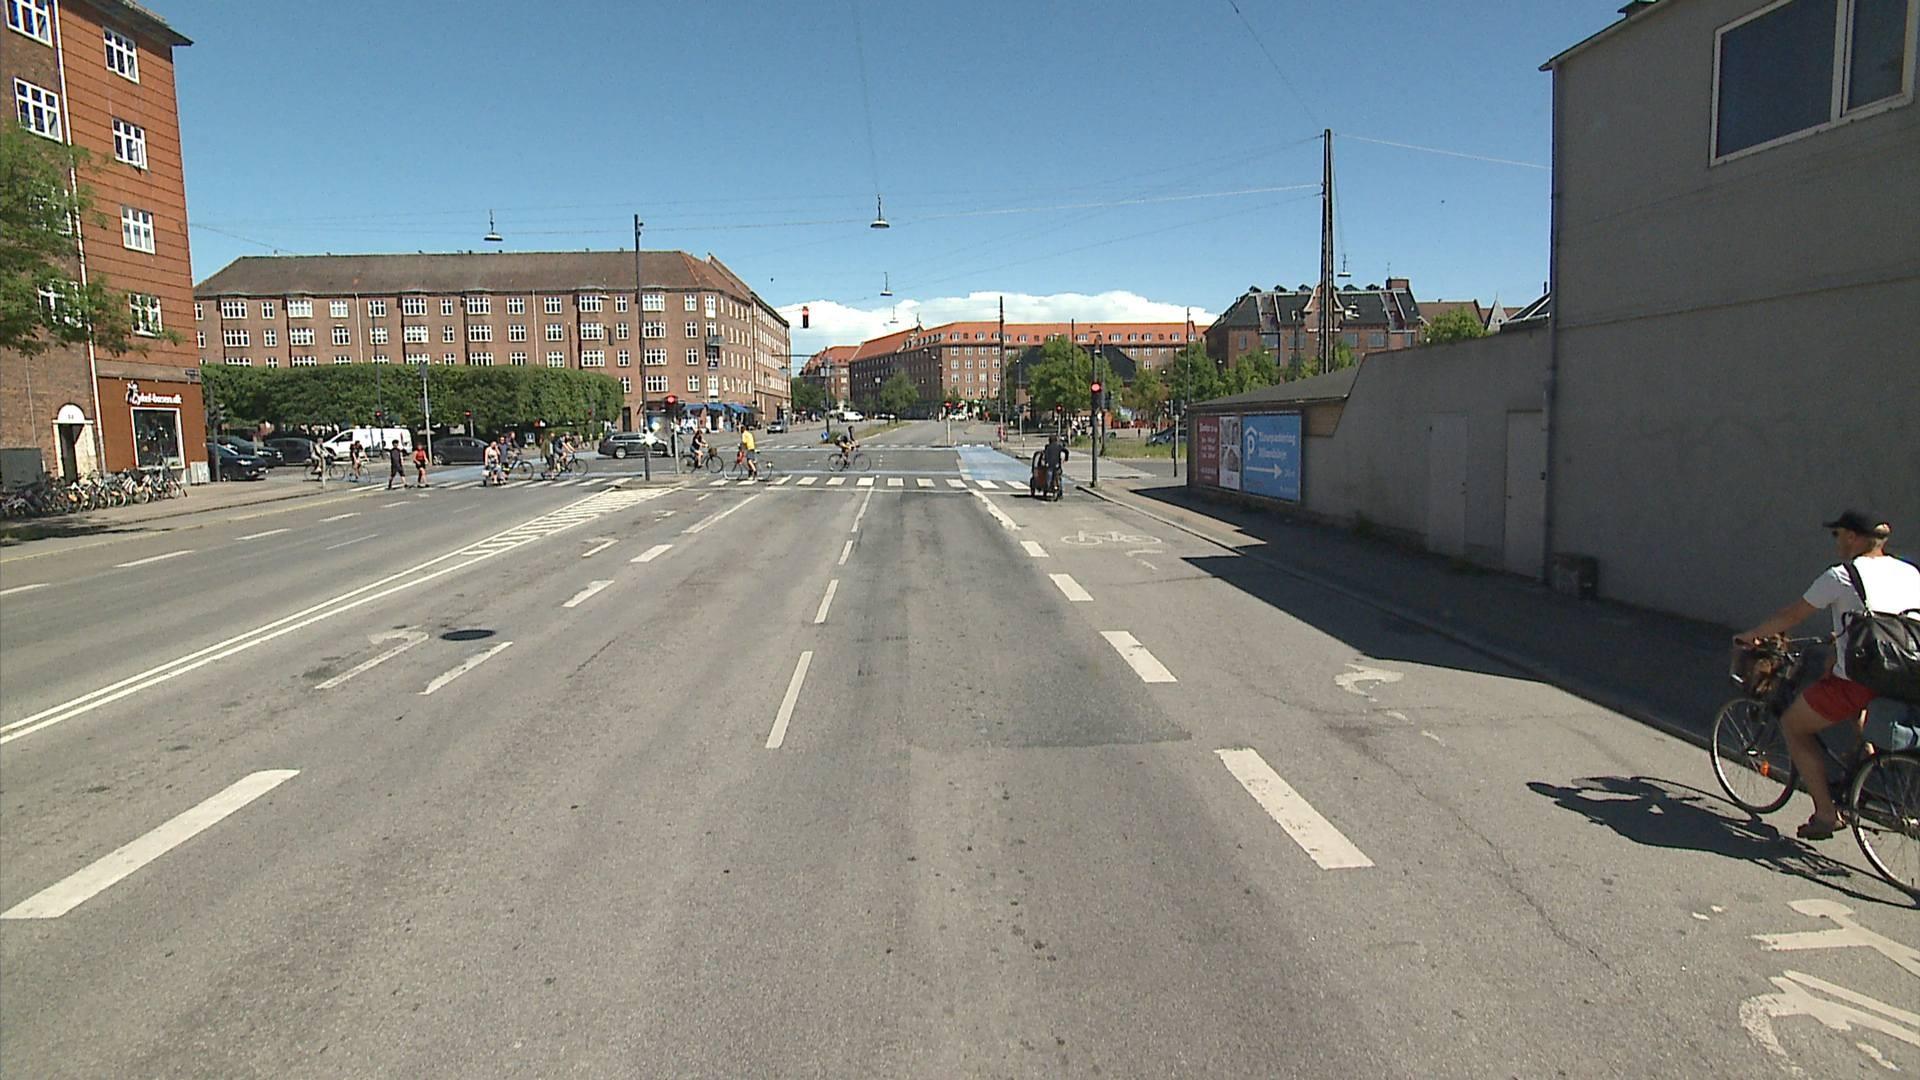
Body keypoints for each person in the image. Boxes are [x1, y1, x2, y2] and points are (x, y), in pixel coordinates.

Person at [1735, 511, 1920, 840]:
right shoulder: (1910, 572)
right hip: (1907, 676)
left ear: (1852, 536)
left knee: (1794, 725)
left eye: (1837, 534)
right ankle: (1866, 757)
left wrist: (1752, 635)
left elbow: (1792, 615)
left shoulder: (1842, 575)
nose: (1835, 542)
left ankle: (1825, 813)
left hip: (1861, 680)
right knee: (1840, 685)